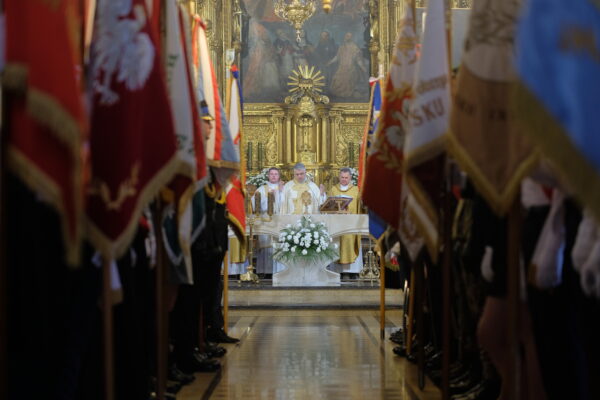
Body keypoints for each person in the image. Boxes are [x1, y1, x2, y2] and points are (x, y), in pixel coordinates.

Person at [328, 167, 363, 277]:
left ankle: (353, 271)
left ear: (350, 177)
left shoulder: (356, 190)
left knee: (350, 243)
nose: (344, 179)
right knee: (339, 245)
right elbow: (328, 207)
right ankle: (340, 271)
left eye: (346, 178)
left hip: (351, 224)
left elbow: (360, 206)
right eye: (342, 177)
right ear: (339, 177)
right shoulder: (334, 189)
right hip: (338, 224)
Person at [252, 167, 286, 276]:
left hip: (279, 219)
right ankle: (265, 271)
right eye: (272, 174)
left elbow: (287, 203)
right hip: (265, 219)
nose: (274, 176)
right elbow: (254, 203)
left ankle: (279, 271)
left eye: (276, 174)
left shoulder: (284, 188)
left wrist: (280, 192)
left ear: (279, 176)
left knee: (278, 245)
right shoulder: (261, 189)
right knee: (266, 246)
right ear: (268, 175)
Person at [326, 32, 368, 99]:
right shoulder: (341, 47)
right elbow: (337, 57)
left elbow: (359, 60)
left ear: (352, 38)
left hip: (350, 70)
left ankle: (349, 96)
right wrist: (330, 62)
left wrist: (363, 68)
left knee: (346, 84)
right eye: (346, 36)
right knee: (336, 81)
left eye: (349, 36)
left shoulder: (355, 48)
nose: (347, 37)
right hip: (341, 69)